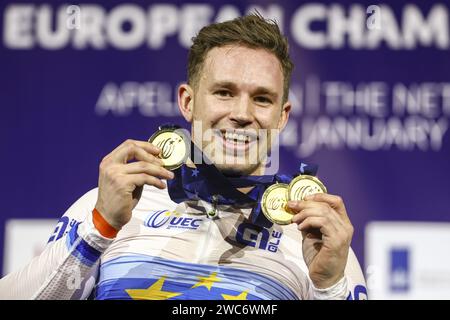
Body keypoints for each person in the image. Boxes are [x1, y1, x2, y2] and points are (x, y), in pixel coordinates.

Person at [0, 13, 366, 300]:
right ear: (188, 102)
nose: (241, 112)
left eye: (262, 98)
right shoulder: (113, 207)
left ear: (282, 115)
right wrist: (98, 230)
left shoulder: (312, 239)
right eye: (224, 92)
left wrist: (329, 287)